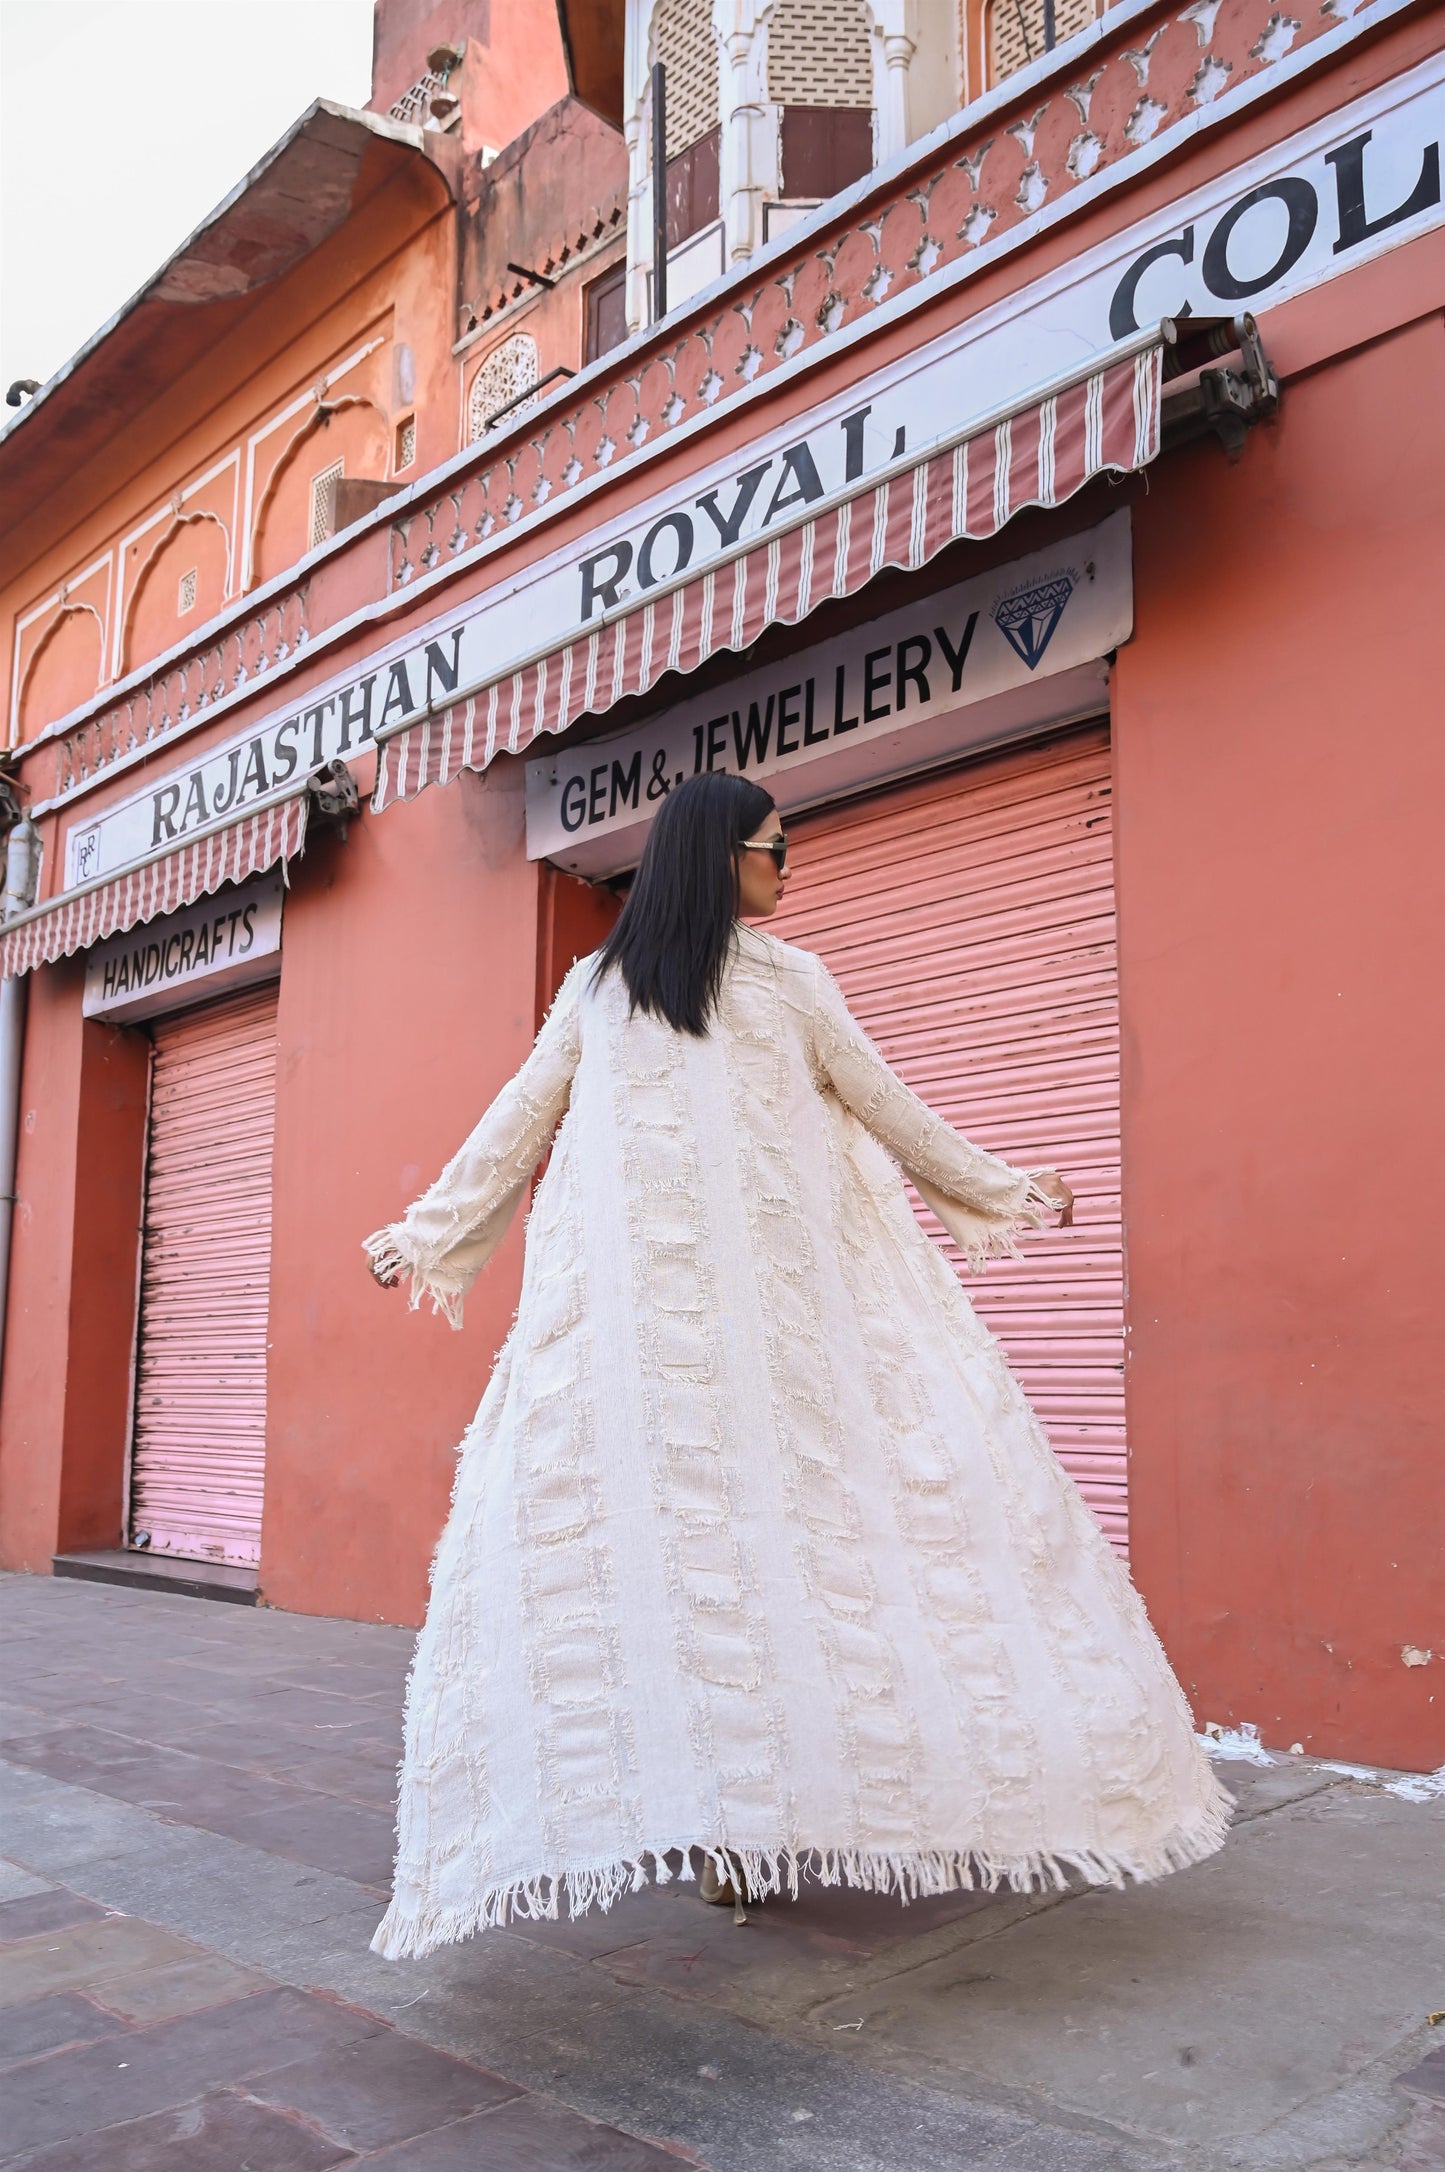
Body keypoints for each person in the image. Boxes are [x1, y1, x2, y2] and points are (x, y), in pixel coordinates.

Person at [365, 772, 1230, 1957]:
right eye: (777, 846)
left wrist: (999, 1188)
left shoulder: (791, 985)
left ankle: (757, 1817)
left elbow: (887, 1110)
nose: (790, 865)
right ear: (720, 855)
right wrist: (425, 1235)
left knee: (784, 1570)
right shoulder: (600, 991)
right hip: (647, 1354)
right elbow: (516, 1123)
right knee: (685, 1578)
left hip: (782, 1341)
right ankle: (725, 1820)